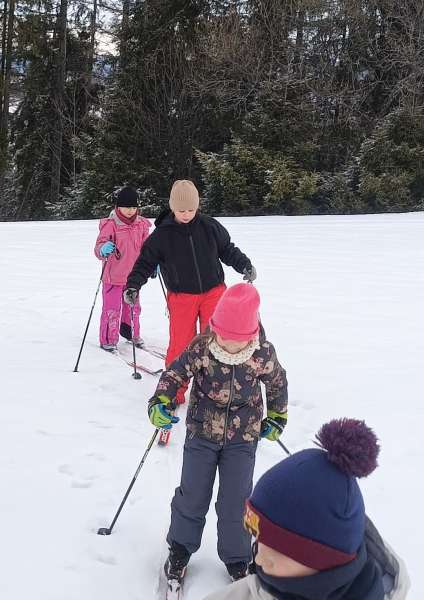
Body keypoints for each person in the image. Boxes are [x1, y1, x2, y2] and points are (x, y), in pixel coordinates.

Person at [147, 284, 288, 590]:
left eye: (235, 341)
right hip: (202, 433)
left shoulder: (262, 354)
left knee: (236, 500)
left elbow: (277, 384)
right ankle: (180, 549)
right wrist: (160, 401)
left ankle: (237, 557)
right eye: (221, 335)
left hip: (243, 439)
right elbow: (175, 374)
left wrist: (277, 416)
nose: (226, 344)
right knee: (193, 494)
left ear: (250, 335)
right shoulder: (202, 347)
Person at [204, 418, 410, 600]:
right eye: (258, 539)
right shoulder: (258, 590)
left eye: (277, 549)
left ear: (324, 561)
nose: (258, 558)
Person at [124, 179, 256, 406]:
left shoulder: (209, 226)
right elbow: (144, 263)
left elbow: (227, 249)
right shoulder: (161, 236)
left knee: (215, 342)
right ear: (173, 207)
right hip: (181, 298)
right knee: (181, 344)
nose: (186, 214)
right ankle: (173, 393)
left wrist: (244, 264)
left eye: (191, 209)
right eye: (181, 210)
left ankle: (216, 390)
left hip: (214, 293)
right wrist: (133, 285)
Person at [94, 186, 152, 350]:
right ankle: (108, 339)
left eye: (134, 207)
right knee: (112, 309)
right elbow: (98, 248)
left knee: (133, 308)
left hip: (134, 277)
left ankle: (131, 333)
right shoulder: (111, 225)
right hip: (113, 276)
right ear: (118, 206)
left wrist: (152, 263)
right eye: (127, 207)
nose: (130, 211)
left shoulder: (141, 225)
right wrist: (103, 248)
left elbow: (148, 247)